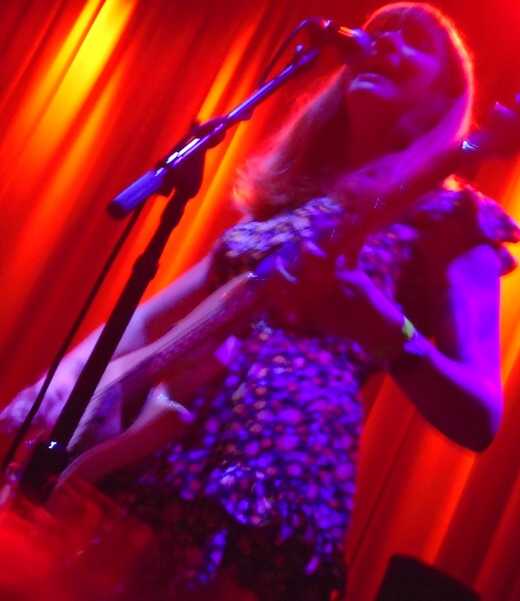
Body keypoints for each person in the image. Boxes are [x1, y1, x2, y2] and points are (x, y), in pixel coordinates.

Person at [2, 2, 520, 600]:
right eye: (379, 32)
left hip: (268, 468)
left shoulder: (454, 219)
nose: (384, 43)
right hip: (154, 442)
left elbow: (480, 415)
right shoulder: (287, 206)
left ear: (441, 99)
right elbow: (152, 319)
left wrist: (389, 330)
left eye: (414, 41)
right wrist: (63, 384)